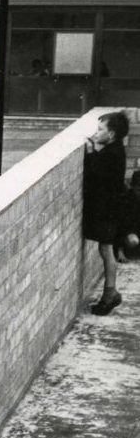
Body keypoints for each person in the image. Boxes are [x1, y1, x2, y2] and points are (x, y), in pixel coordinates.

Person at [82, 110, 130, 316]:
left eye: (100, 129)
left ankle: (110, 293)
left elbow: (97, 174)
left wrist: (92, 151)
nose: (96, 132)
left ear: (111, 135)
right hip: (110, 208)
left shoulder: (113, 153)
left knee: (106, 249)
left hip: (109, 209)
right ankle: (110, 292)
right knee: (105, 249)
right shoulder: (115, 150)